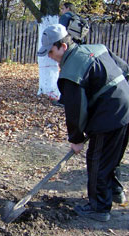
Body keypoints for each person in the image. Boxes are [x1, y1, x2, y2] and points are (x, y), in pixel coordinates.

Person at [38, 24, 129, 222]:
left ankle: (99, 208)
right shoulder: (97, 48)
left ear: (62, 46)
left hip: (109, 115)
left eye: (51, 52)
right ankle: (115, 192)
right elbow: (124, 70)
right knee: (110, 158)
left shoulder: (71, 71)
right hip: (125, 108)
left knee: (97, 161)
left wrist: (76, 138)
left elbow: (75, 110)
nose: (50, 57)